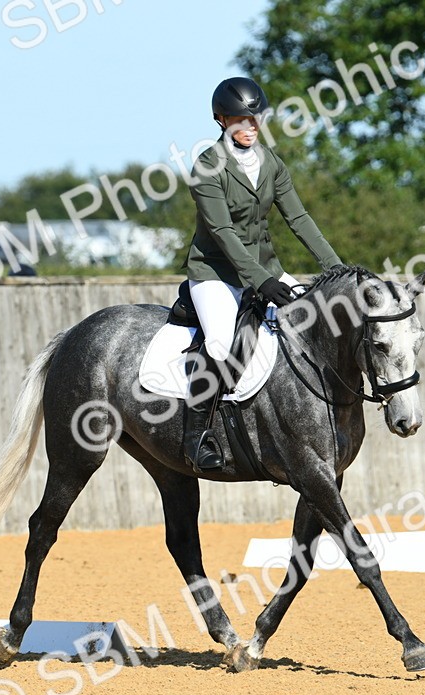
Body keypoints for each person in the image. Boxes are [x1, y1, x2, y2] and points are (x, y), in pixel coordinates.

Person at [181, 76, 343, 471]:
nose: (250, 128)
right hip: (215, 275)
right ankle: (196, 436)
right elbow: (222, 233)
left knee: (325, 322)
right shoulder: (207, 167)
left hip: (268, 270)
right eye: (241, 120)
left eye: (255, 120)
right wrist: (262, 282)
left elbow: (299, 219)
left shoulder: (271, 162)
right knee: (221, 345)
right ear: (221, 120)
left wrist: (337, 269)